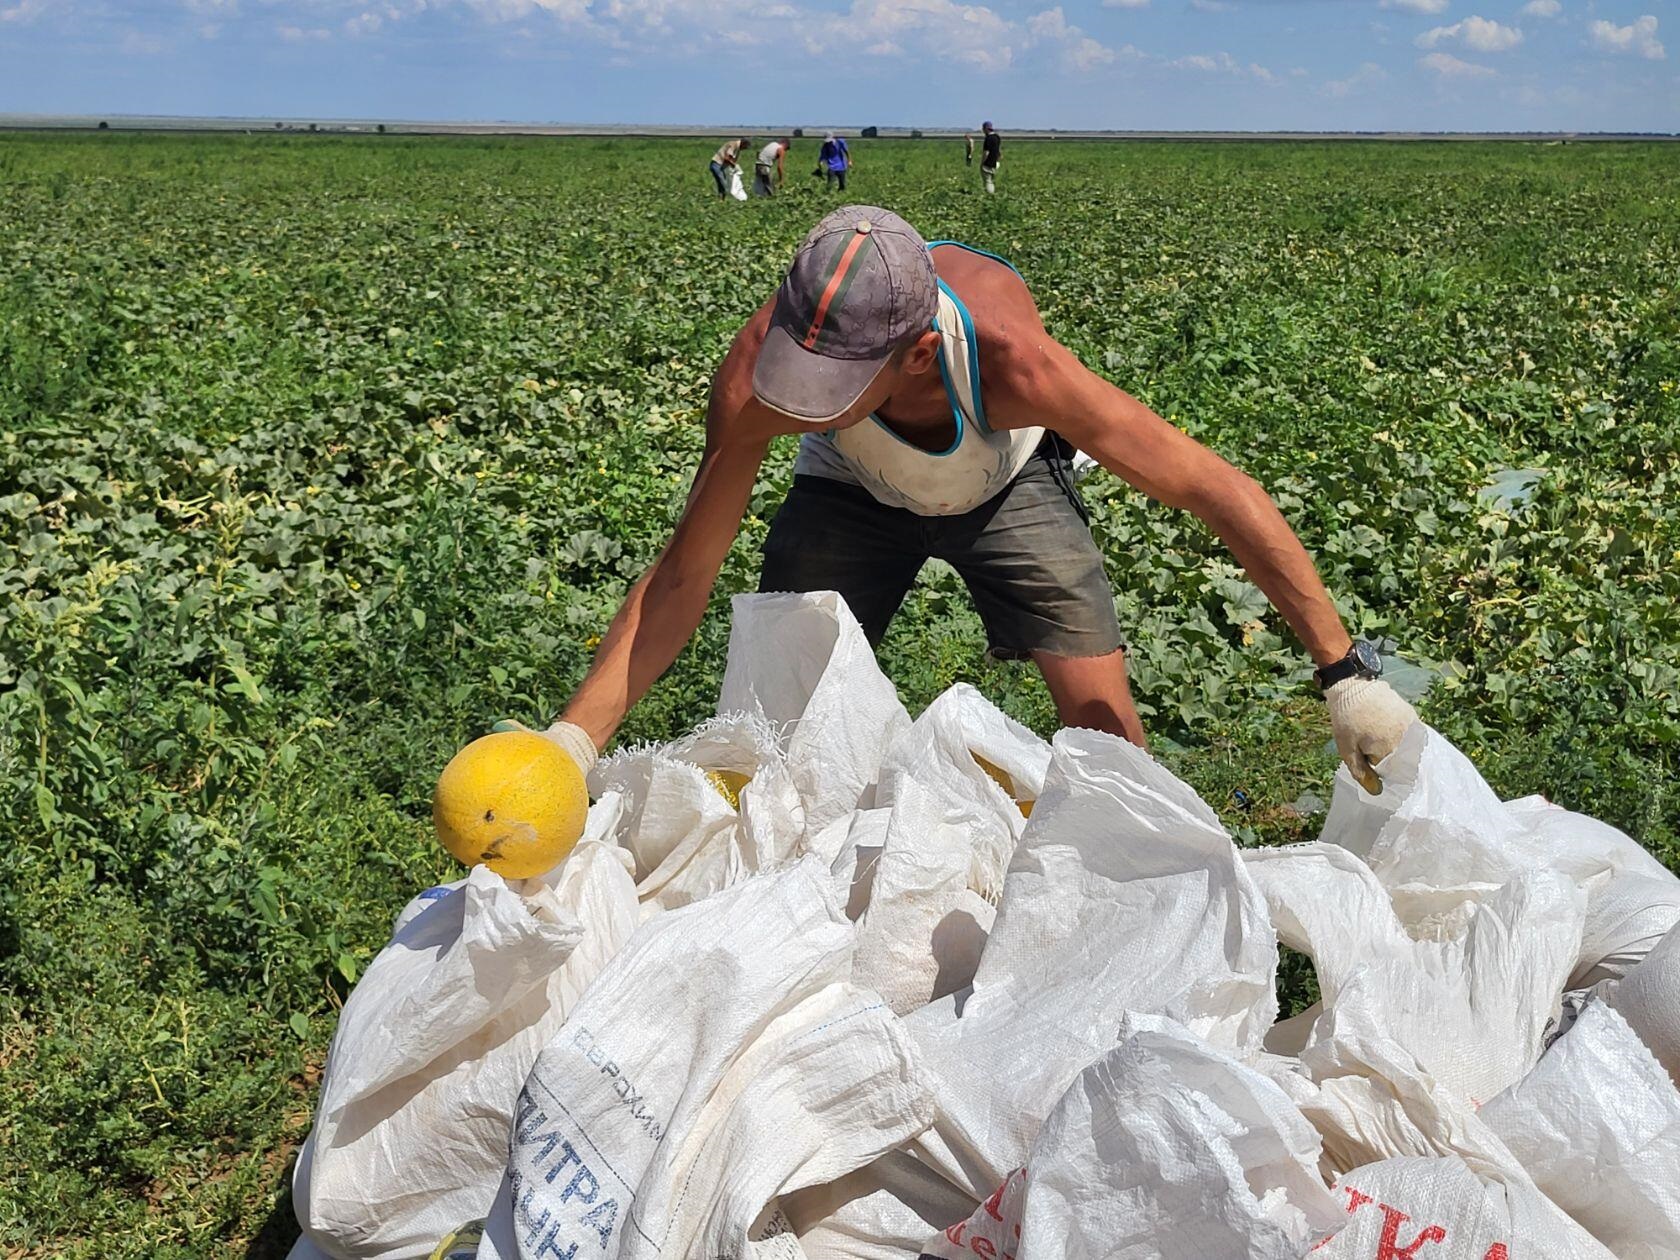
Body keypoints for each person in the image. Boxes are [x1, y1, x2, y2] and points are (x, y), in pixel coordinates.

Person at [501, 205, 1418, 800]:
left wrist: (1344, 672)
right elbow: (684, 572)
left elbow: (1211, 489)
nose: (796, 400)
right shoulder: (756, 381)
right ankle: (784, 867)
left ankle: (1138, 882)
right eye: (796, 373)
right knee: (781, 713)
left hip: (1004, 480)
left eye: (829, 385)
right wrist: (571, 745)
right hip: (849, 491)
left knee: (1109, 740)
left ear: (911, 357)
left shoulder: (1013, 363)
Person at [980, 121, 1001, 194]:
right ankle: (992, 192)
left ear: (986, 129)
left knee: (988, 181)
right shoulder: (997, 137)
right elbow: (998, 150)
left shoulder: (988, 138)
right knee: (991, 180)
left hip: (988, 163)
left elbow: (986, 152)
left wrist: (982, 162)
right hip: (995, 162)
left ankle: (990, 194)